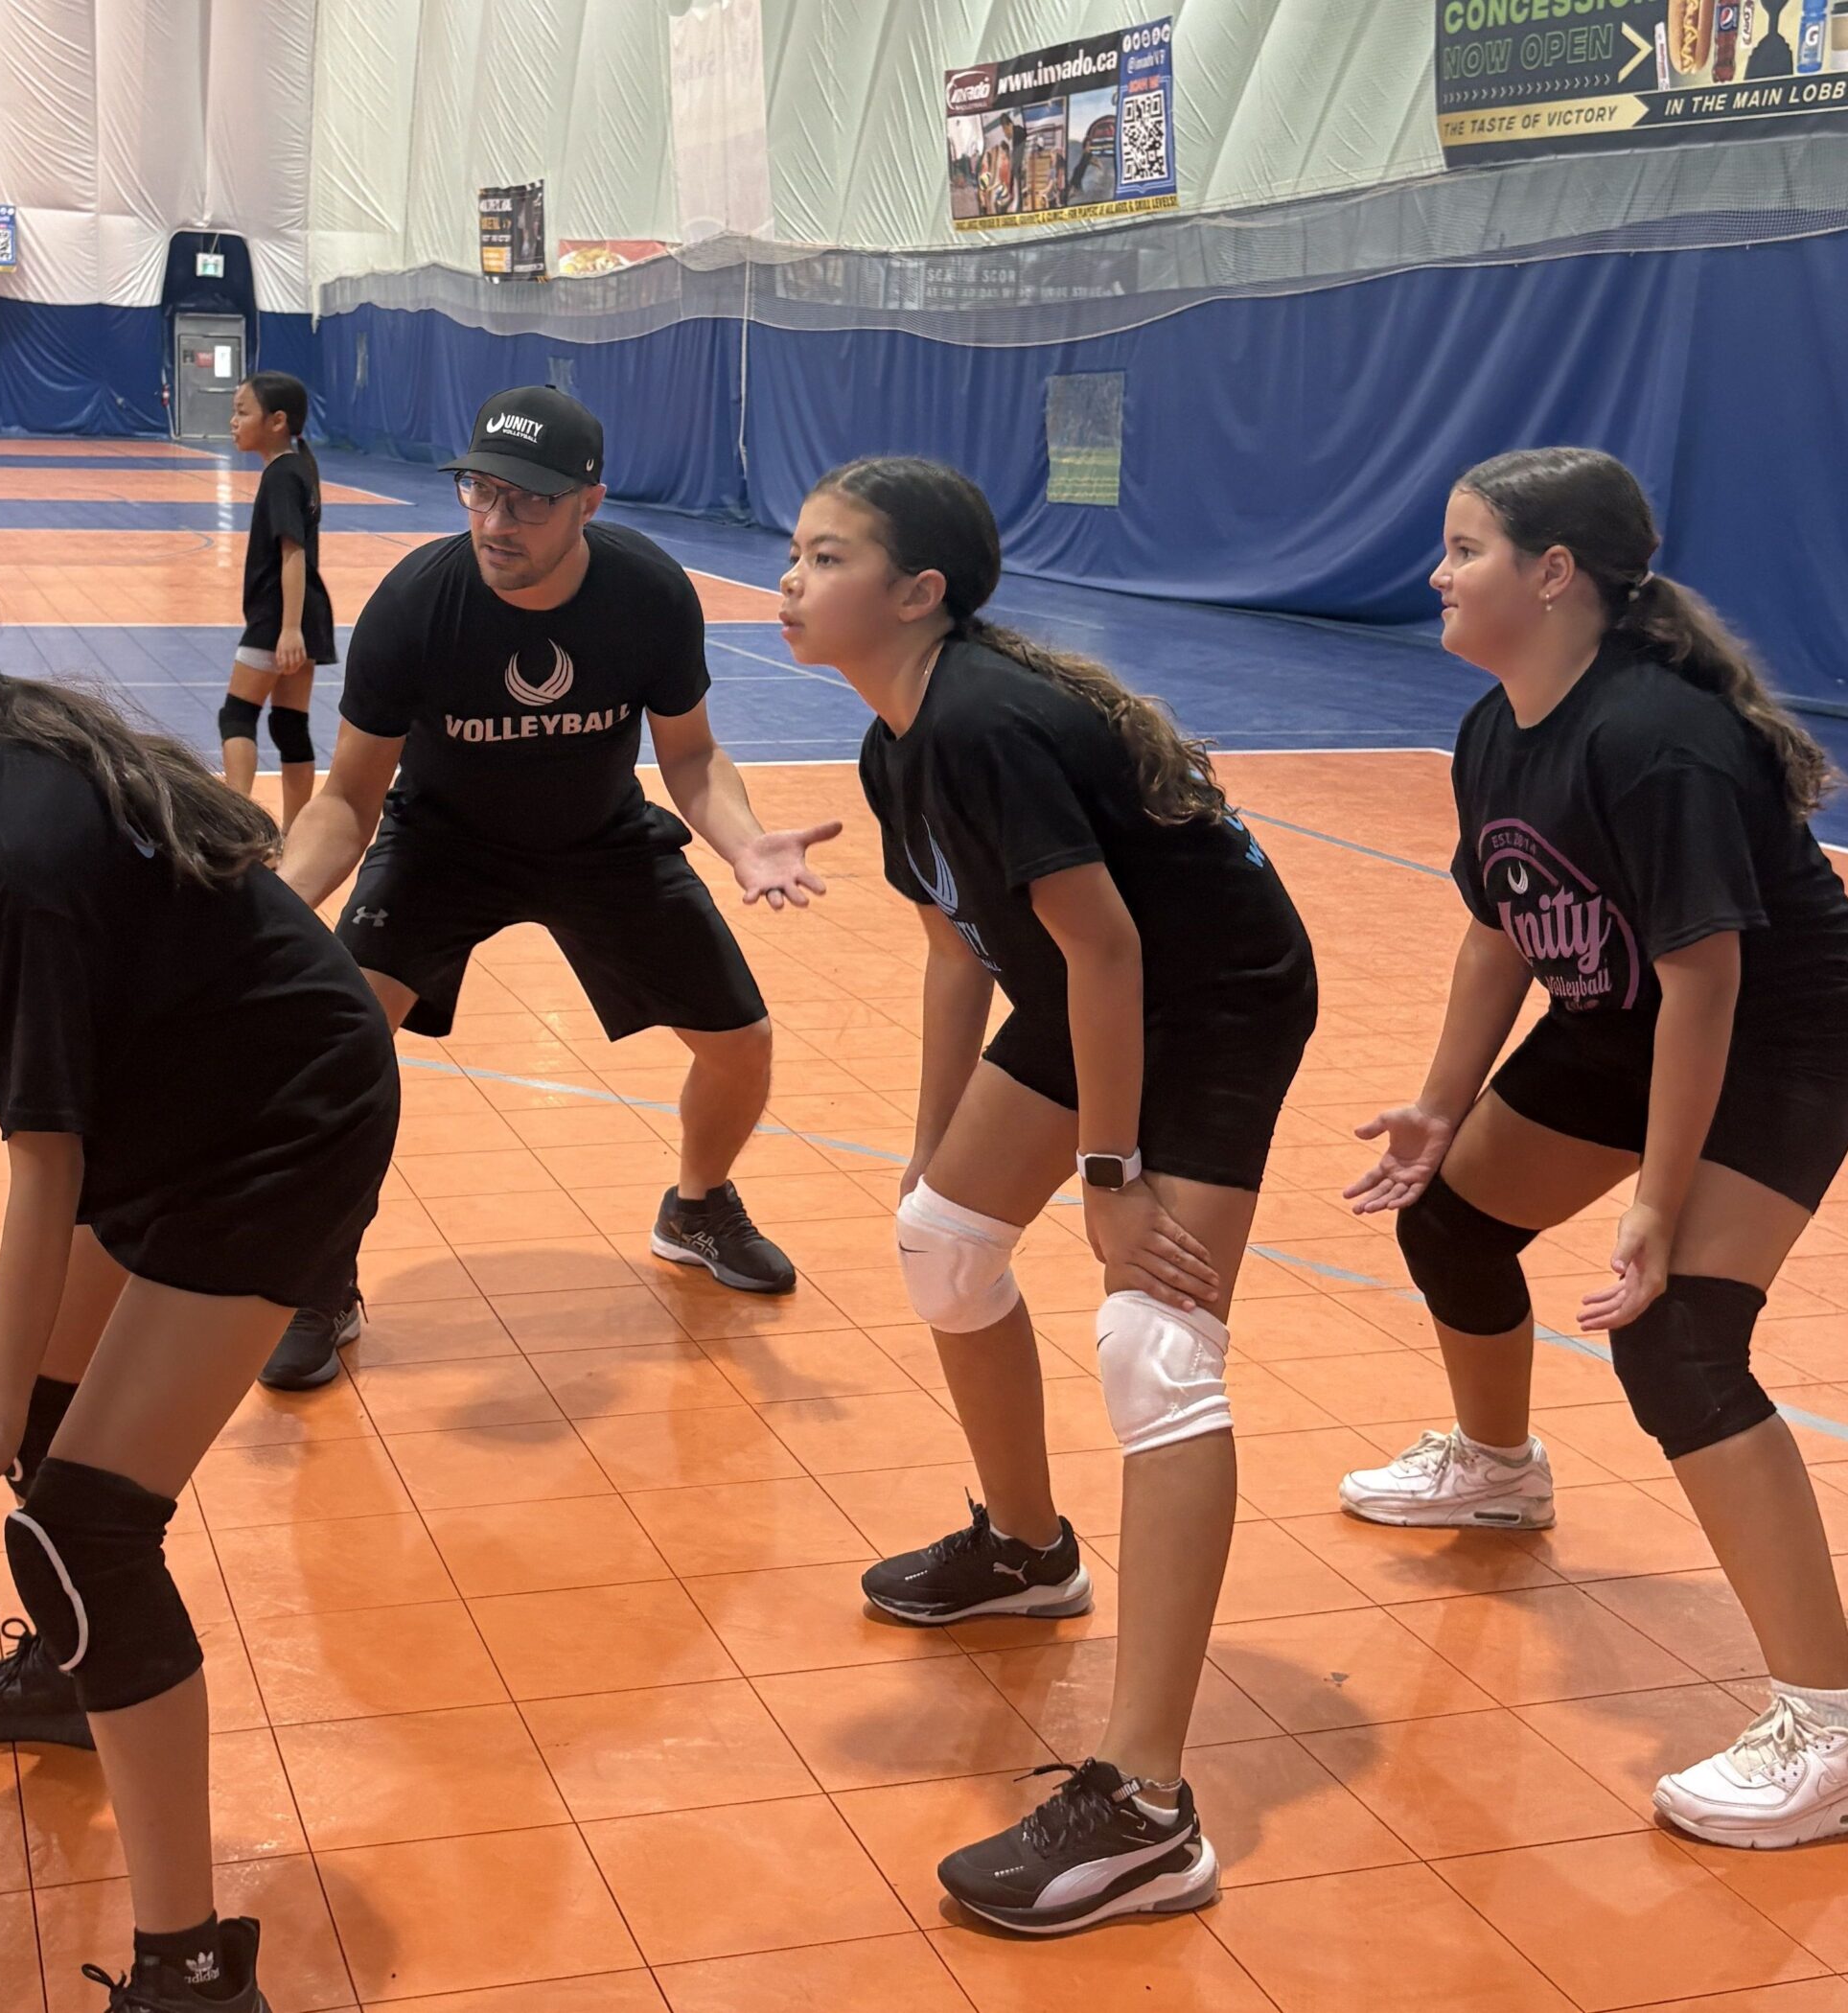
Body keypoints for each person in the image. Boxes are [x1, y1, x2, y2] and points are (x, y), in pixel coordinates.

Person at [0, 492, 398, 2012]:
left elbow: (50, 1157)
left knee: (80, 1526)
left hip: (279, 1130)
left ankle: (192, 1970)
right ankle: (71, 1674)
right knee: (7, 1372)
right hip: (174, 1109)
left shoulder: (25, 844)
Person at [781, 457, 1318, 1935]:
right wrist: (934, 1136)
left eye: (826, 557)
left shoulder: (984, 721)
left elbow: (1111, 951)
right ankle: (1027, 1551)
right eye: (796, 553)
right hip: (1099, 992)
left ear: (918, 593)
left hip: (1213, 1002)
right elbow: (963, 949)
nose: (791, 581)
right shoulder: (899, 743)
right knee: (944, 1245)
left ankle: (1148, 1811)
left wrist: (1110, 1177)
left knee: (1156, 1350)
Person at [1342, 446, 1848, 1849]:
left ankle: (1837, 1737)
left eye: (1464, 548)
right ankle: (1498, 1467)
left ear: (1553, 574)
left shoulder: (1655, 739)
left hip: (1779, 1029)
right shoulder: (1499, 725)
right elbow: (1499, 927)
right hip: (1628, 1014)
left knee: (1680, 1336)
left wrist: (1655, 1205)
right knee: (1450, 1215)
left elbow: (1708, 982)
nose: (1436, 574)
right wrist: (1440, 1106)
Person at [269, 385, 834, 1388]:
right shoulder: (415, 603)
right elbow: (349, 799)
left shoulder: (648, 594)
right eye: (480, 491)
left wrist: (744, 844)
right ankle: (321, 1275)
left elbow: (692, 757)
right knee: (341, 1043)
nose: (496, 521)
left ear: (589, 503)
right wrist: (274, 900)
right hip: (441, 845)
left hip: (597, 838)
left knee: (741, 1045)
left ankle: (697, 1207)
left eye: (528, 500)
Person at [219, 373, 335, 835]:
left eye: (242, 411)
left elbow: (293, 553)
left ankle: (236, 826)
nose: (233, 421)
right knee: (289, 725)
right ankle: (294, 834)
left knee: (236, 715)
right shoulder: (295, 468)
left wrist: (288, 629)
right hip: (305, 614)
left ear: (277, 421)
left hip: (280, 617)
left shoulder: (283, 474)